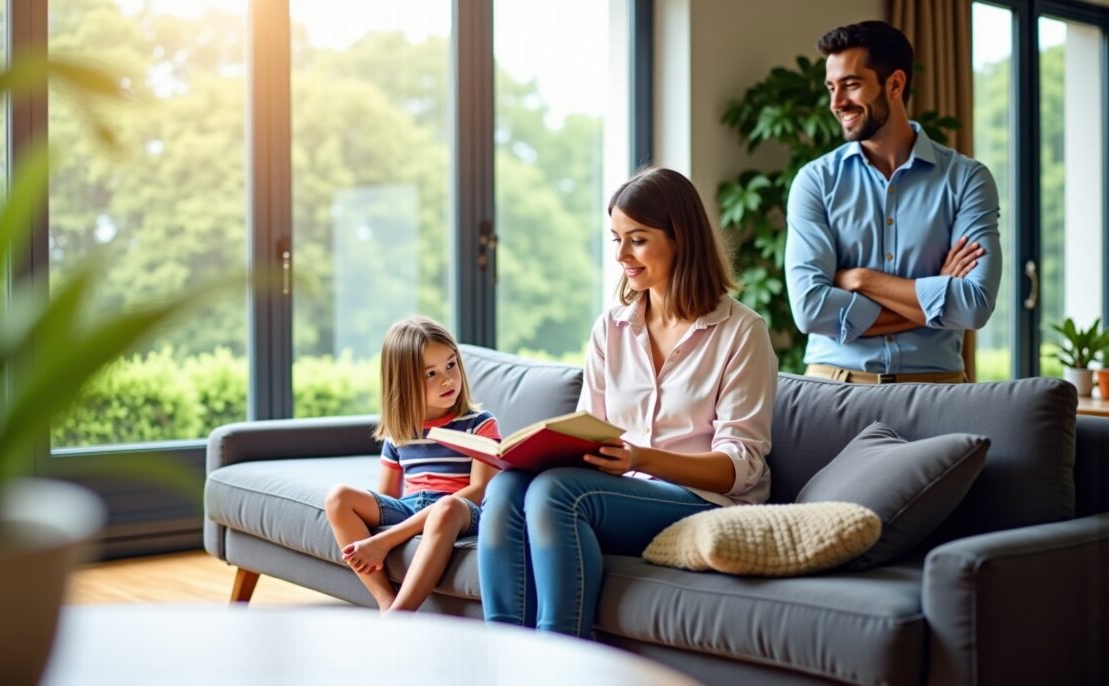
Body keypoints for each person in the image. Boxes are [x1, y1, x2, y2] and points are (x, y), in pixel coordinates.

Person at [477, 167, 777, 638]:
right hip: (619, 492)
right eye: (616, 238)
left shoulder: (742, 332)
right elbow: (589, 426)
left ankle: (564, 659)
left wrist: (639, 457)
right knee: (508, 485)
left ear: (681, 239)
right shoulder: (611, 328)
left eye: (636, 240)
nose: (621, 255)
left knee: (558, 493)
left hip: (704, 500)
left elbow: (740, 468)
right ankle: (507, 655)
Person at [785, 20, 1001, 384]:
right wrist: (936, 290)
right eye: (831, 88)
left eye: (851, 85)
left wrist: (860, 279)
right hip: (835, 386)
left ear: (895, 84)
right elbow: (810, 310)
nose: (837, 103)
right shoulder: (815, 181)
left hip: (936, 388)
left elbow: (974, 305)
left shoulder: (966, 180)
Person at [325, 316, 500, 612]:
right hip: (409, 506)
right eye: (430, 374)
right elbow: (387, 498)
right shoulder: (400, 432)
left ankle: (401, 614)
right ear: (404, 383)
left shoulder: (480, 424)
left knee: (445, 508)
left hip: (461, 512)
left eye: (451, 365)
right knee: (338, 497)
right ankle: (385, 601)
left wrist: (386, 540)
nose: (447, 379)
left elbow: (480, 490)